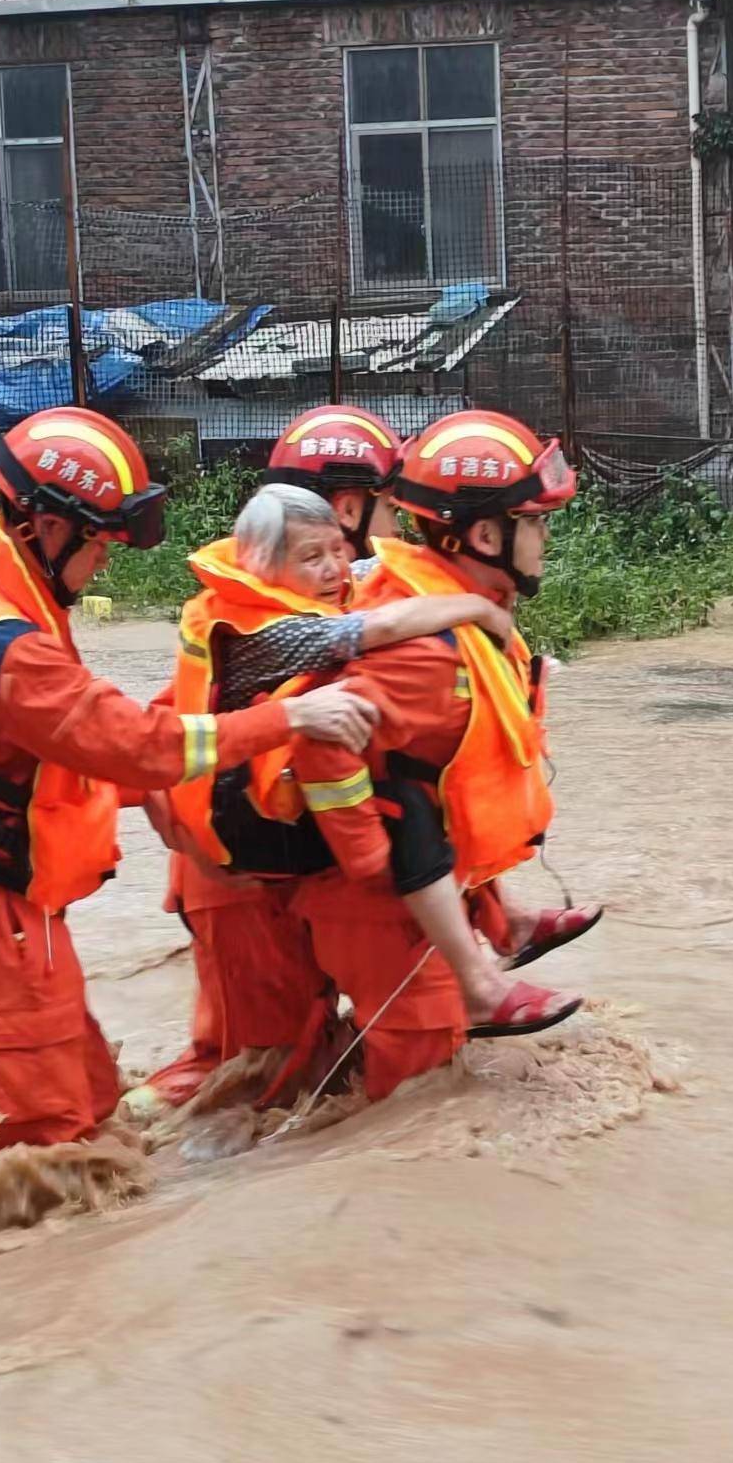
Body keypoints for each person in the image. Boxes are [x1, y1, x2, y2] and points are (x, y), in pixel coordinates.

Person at [0, 407, 376, 1155]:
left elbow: (65, 750)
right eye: (96, 544)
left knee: (92, 1106)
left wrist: (161, 783)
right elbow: (128, 743)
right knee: (53, 1145)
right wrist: (288, 722)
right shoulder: (8, 645)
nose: (103, 564)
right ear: (45, 527)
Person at [136, 480, 575, 1114]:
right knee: (256, 1062)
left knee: (299, 1055)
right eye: (313, 557)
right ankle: (158, 1141)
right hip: (242, 866)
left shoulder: (310, 588)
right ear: (264, 563)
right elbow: (376, 630)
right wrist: (481, 611)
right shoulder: (264, 632)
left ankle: (501, 929)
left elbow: (391, 567)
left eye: (338, 551)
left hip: (274, 846)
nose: (336, 566)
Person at [288, 409, 600, 1102]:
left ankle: (499, 932)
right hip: (380, 913)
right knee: (412, 1113)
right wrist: (376, 863)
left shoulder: (450, 605)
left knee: (362, 1087)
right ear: (486, 535)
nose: (545, 537)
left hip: (420, 898)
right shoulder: (428, 654)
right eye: (536, 521)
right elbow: (319, 744)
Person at [258, 404, 401, 562]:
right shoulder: (375, 584)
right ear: (348, 510)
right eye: (391, 510)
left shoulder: (250, 572)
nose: (398, 529)